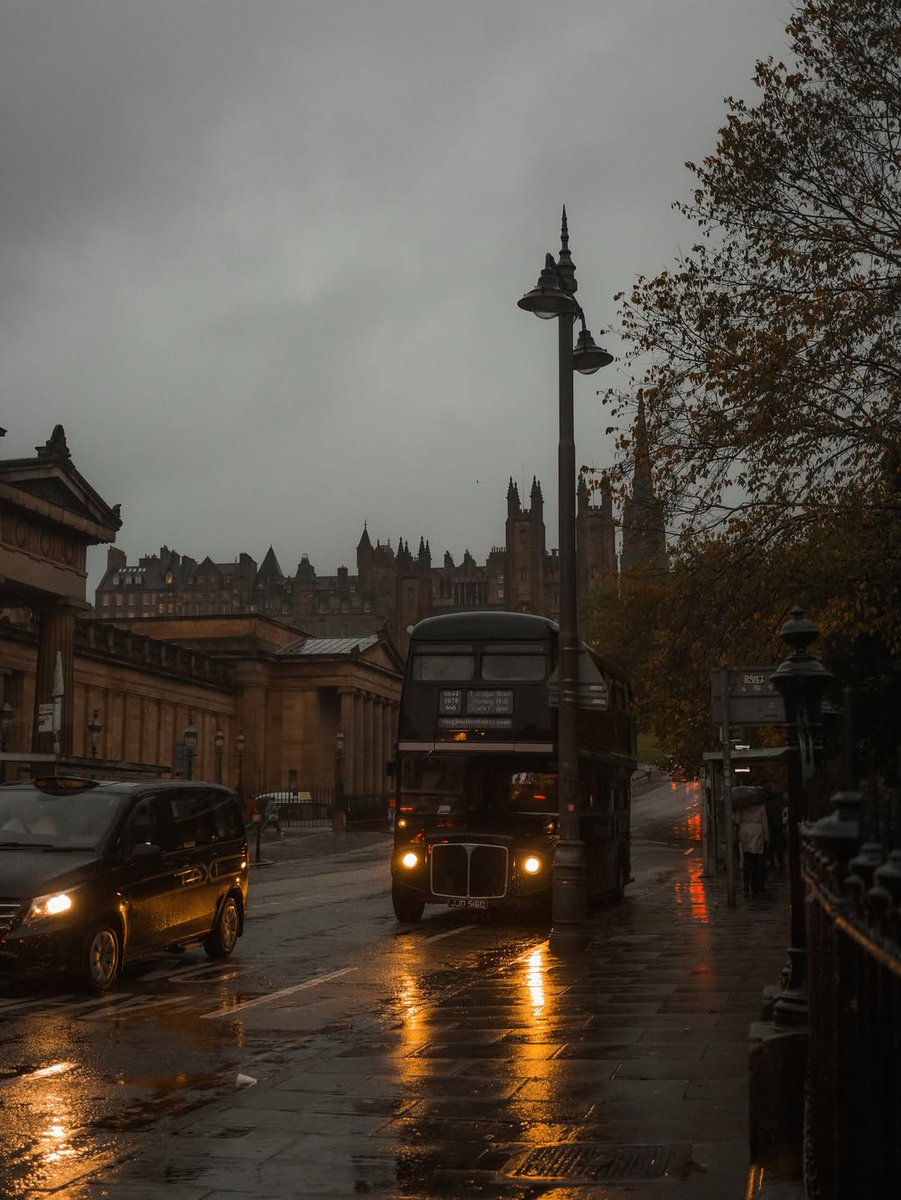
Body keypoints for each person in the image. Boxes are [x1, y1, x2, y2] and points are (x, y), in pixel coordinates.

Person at [736, 798, 769, 896]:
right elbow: (765, 823)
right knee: (756, 860)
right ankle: (754, 885)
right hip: (757, 831)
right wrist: (766, 838)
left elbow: (737, 820)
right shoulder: (761, 807)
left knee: (746, 858)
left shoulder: (741, 806)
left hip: (744, 831)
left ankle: (746, 883)